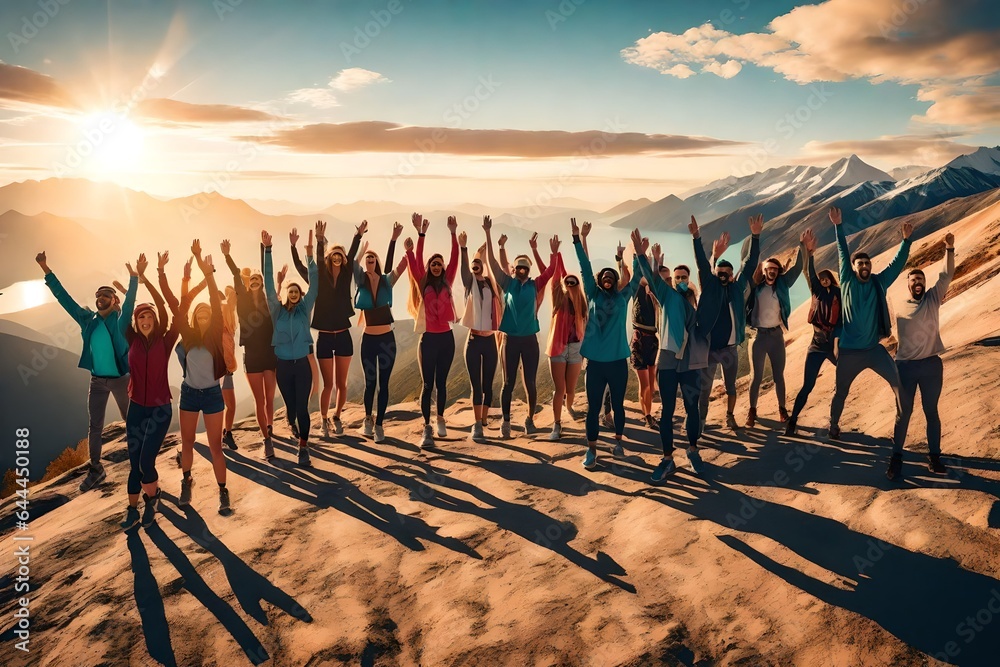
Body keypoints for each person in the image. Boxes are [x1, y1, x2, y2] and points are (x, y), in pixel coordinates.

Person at [36, 250, 137, 492]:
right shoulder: (87, 320)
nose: (100, 297)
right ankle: (96, 468)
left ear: (114, 301)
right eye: (98, 295)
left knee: (130, 421)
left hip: (121, 380)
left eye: (106, 295)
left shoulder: (120, 320)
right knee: (95, 426)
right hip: (97, 381)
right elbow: (65, 299)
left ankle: (139, 461)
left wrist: (133, 279)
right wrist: (46, 269)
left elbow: (131, 301)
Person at [827, 206, 913, 480]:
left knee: (898, 384)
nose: (864, 267)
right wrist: (838, 226)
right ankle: (834, 424)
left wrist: (906, 242)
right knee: (841, 392)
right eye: (859, 264)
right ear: (853, 268)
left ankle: (899, 434)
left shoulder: (878, 283)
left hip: (874, 351)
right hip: (850, 352)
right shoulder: (847, 281)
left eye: (867, 264)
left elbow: (897, 266)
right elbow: (842, 250)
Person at [159, 240, 231, 513]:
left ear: (211, 318)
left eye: (207, 314)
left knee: (215, 448)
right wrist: (164, 273)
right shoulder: (187, 337)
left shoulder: (213, 335)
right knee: (186, 442)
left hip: (212, 395)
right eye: (198, 314)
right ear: (193, 319)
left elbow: (214, 297)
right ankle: (187, 481)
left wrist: (206, 269)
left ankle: (223, 492)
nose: (202, 316)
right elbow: (174, 302)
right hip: (189, 394)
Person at [632, 229, 708, 477]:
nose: (681, 280)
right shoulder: (668, 296)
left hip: (691, 361)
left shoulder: (698, 302)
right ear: (673, 281)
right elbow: (651, 278)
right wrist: (642, 256)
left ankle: (693, 451)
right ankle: (667, 458)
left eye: (684, 276)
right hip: (667, 358)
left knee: (692, 408)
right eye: (677, 277)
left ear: (689, 278)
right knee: (666, 410)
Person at [572, 218, 642, 470]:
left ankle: (619, 443)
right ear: (599, 281)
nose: (608, 278)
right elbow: (584, 265)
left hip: (617, 362)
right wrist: (577, 239)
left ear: (615, 280)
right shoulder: (592, 293)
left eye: (611, 276)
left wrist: (638, 254)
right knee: (592, 409)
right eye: (604, 276)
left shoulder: (623, 296)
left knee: (619, 406)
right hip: (596, 363)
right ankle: (591, 451)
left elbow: (636, 279)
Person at [482, 216, 557, 438]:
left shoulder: (535, 284)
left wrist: (549, 251)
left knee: (531, 382)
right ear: (515, 269)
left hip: (530, 340)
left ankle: (529, 419)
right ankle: (506, 422)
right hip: (510, 340)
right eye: (519, 266)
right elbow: (493, 264)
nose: (522, 269)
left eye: (525, 266)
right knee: (508, 383)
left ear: (528, 269)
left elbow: (551, 270)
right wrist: (488, 234)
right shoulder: (508, 283)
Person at [120, 252, 178, 530]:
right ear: (136, 321)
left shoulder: (165, 341)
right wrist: (133, 281)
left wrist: (156, 274)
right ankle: (132, 509)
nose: (145, 320)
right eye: (141, 317)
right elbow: (122, 320)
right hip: (136, 408)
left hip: (159, 409)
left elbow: (167, 309)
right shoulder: (130, 337)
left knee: (145, 460)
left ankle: (152, 499)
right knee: (134, 463)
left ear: (155, 321)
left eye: (149, 317)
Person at [691, 214, 762, 433]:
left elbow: (750, 265)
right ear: (716, 273)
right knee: (705, 389)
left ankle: (730, 417)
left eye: (726, 273)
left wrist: (755, 236)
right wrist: (696, 237)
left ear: (732, 275)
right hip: (710, 349)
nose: (723, 275)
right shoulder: (711, 285)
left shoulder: (737, 288)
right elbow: (702, 263)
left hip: (730, 349)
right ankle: (701, 422)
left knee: (731, 387)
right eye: (719, 272)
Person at [892, 232, 955, 476]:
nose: (917, 281)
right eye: (913, 279)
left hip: (930, 365)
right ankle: (896, 457)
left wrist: (949, 249)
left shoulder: (933, 298)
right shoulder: (898, 306)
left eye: (920, 278)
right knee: (903, 413)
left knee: (931, 411)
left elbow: (946, 274)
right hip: (905, 367)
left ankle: (935, 457)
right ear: (908, 284)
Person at [263, 227, 320, 468]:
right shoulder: (277, 311)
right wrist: (267, 250)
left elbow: (315, 284)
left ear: (301, 295)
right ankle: (292, 423)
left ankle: (303, 447)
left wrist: (309, 254)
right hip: (284, 366)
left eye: (298, 291)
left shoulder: (305, 309)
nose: (295, 294)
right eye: (292, 291)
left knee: (302, 407)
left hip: (303, 365)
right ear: (287, 294)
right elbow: (267, 284)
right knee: (290, 408)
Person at [406, 214, 460, 448]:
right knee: (428, 385)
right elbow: (416, 262)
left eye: (440, 264)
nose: (437, 266)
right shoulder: (423, 283)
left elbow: (456, 257)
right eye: (433, 264)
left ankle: (440, 420)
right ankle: (427, 427)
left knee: (443, 383)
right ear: (430, 268)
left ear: (444, 268)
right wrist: (421, 234)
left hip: (446, 339)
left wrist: (453, 233)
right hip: (428, 339)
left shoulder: (448, 281)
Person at [744, 232, 808, 427]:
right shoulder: (756, 287)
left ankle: (782, 410)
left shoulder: (782, 283)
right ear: (764, 271)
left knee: (779, 376)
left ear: (778, 270)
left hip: (776, 335)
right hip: (759, 336)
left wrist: (802, 246)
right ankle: (752, 411)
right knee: (756, 377)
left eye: (774, 268)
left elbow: (798, 268)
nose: (771, 271)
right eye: (768, 268)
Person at [222, 240, 278, 459]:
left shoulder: (269, 302)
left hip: (270, 355)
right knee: (259, 401)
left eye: (258, 279)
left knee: (270, 398)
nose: (254, 281)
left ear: (262, 284)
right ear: (248, 284)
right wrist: (227, 256)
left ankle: (270, 427)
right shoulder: (243, 301)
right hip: (252, 357)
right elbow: (237, 276)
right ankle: (267, 440)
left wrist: (266, 249)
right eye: (252, 279)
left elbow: (269, 274)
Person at [353, 222, 408, 443]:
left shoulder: (386, 281)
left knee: (383, 384)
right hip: (368, 340)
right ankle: (368, 419)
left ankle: (379, 425)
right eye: (367, 259)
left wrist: (396, 241)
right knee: (370, 383)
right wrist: (359, 245)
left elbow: (400, 266)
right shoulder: (360, 281)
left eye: (372, 258)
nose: (370, 262)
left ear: (377, 261)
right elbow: (350, 264)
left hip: (386, 340)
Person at [312, 220, 364, 438]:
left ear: (343, 259)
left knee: (342, 384)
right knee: (328, 384)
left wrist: (358, 236)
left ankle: (337, 416)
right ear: (329, 257)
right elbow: (317, 258)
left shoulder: (345, 276)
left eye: (339, 255)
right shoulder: (322, 278)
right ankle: (323, 420)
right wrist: (320, 241)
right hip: (324, 337)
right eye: (333, 254)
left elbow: (352, 256)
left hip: (343, 335)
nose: (336, 257)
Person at [786, 232, 841, 436]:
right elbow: (810, 270)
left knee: (843, 381)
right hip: (817, 346)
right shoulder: (816, 291)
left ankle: (833, 423)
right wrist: (810, 255)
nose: (824, 281)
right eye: (822, 279)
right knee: (807, 385)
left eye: (827, 278)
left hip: (834, 346)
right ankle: (792, 420)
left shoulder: (838, 294)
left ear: (832, 280)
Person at [460, 236, 504, 443]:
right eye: (473, 265)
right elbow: (464, 271)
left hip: (490, 341)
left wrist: (491, 244)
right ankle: (477, 424)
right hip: (474, 341)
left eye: (479, 264)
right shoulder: (470, 284)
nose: (475, 266)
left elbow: (495, 270)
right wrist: (464, 248)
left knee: (488, 385)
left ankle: (484, 420)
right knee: (476, 385)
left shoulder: (490, 285)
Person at [545, 243, 587, 441]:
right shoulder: (558, 299)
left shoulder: (582, 305)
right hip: (558, 348)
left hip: (576, 348)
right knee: (560, 389)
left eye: (573, 282)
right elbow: (555, 278)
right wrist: (555, 255)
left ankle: (569, 407)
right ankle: (557, 424)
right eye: (567, 282)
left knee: (571, 388)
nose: (570, 285)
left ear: (577, 285)